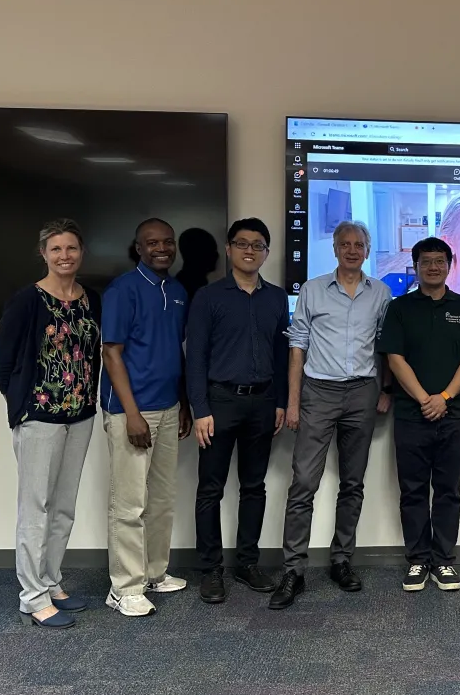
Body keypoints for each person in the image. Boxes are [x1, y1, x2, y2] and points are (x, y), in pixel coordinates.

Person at [269, 221, 393, 610]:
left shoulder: (382, 293)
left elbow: (386, 346)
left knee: (353, 483)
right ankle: (294, 569)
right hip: (318, 392)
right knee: (304, 482)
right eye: (345, 244)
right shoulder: (312, 289)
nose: (352, 250)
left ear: (367, 250)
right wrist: (293, 402)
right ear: (335, 250)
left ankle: (341, 560)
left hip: (362, 392)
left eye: (359, 244)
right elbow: (297, 347)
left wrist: (385, 388)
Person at [0, 219, 102, 629]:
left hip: (81, 415)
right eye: (56, 249)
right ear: (44, 254)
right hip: (39, 418)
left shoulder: (91, 300)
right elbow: (2, 364)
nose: (64, 256)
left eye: (71, 248)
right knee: (35, 508)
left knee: (63, 507)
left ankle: (52, 582)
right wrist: (22, 406)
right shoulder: (27, 301)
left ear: (81, 252)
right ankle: (32, 596)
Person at [187, 218, 289, 604]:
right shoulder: (209, 297)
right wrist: (200, 408)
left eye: (258, 244)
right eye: (242, 243)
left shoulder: (277, 298)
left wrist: (280, 400)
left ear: (267, 252)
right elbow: (194, 356)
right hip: (219, 402)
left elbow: (282, 353)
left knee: (254, 487)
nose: (250, 250)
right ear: (229, 249)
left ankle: (247, 563)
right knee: (210, 488)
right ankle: (210, 569)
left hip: (262, 403)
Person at [378, 237, 460, 592]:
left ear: (449, 264)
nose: (433, 267)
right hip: (411, 416)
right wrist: (425, 398)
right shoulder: (399, 308)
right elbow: (395, 359)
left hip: (454, 417)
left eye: (440, 261)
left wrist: (443, 397)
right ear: (415, 265)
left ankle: (443, 561)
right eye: (426, 261)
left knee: (448, 491)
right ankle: (417, 560)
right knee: (412, 491)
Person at [100, 217, 192, 618]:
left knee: (161, 500)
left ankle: (154, 573)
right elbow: (111, 353)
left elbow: (177, 350)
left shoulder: (177, 290)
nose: (162, 248)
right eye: (152, 242)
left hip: (169, 407)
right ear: (138, 248)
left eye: (168, 242)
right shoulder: (123, 290)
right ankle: (124, 587)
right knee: (129, 504)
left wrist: (184, 403)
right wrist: (132, 414)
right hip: (131, 412)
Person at [176, 227, 220, 302]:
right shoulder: (182, 291)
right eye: (210, 250)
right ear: (195, 255)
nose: (217, 255)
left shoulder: (199, 286)